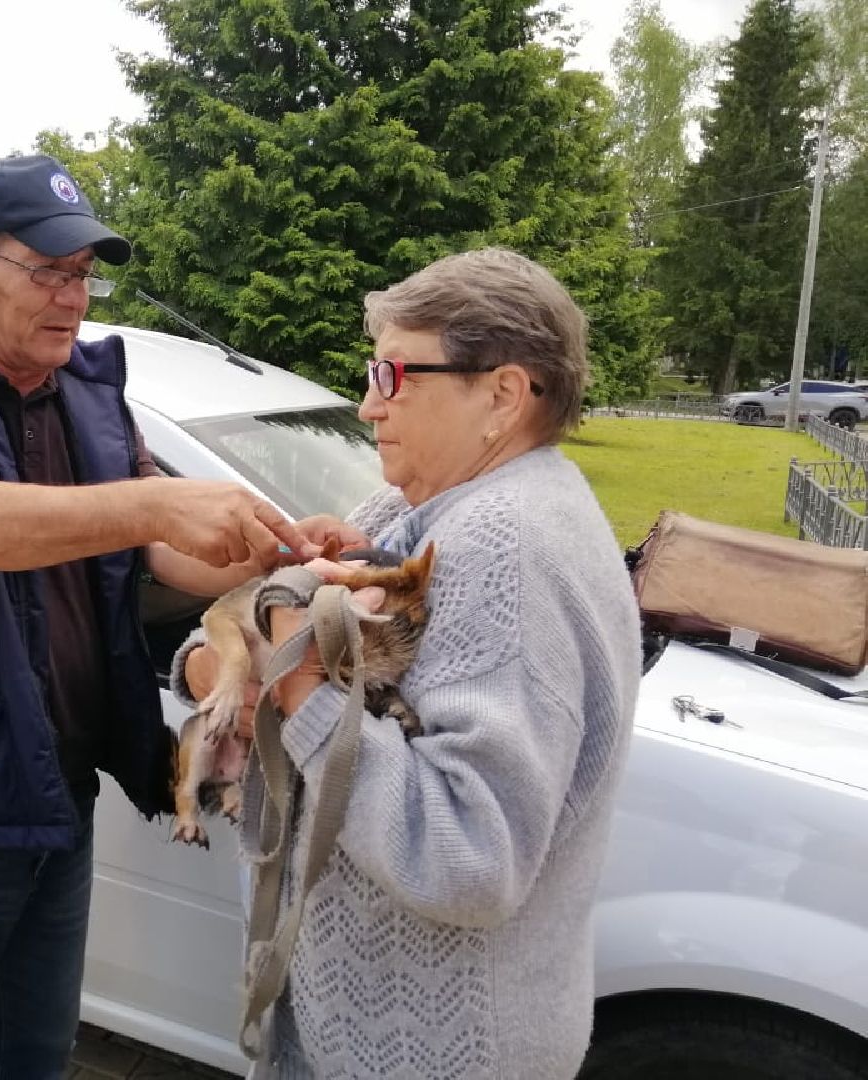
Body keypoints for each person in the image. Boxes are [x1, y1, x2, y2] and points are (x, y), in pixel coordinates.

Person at [0, 153, 343, 1080]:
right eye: (49, 272)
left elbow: (165, 551)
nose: (74, 299)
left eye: (85, 275)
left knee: (30, 1057)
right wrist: (153, 505)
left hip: (56, 794)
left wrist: (277, 550)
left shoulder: (90, 394)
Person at [179, 248, 643, 1079]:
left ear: (502, 395)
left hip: (430, 1053)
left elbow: (467, 860)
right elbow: (234, 638)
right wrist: (215, 673)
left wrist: (293, 686)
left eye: (393, 375)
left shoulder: (508, 545)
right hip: (352, 1027)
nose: (368, 403)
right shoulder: (409, 505)